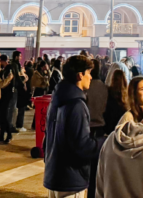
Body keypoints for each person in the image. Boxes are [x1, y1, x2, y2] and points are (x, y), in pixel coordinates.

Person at [44, 54, 104, 198]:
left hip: (54, 175)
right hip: (70, 179)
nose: (90, 77)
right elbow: (82, 146)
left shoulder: (57, 98)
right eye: (88, 73)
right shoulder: (76, 104)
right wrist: (105, 141)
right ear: (79, 75)